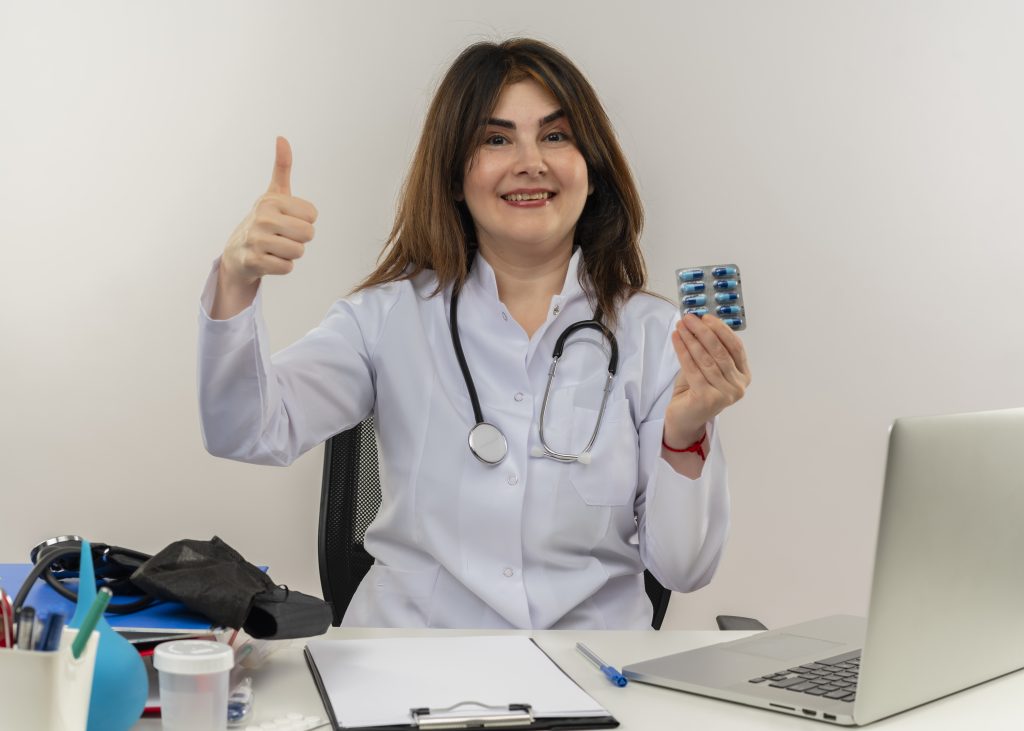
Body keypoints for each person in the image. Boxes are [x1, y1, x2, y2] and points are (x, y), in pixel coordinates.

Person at [198, 38, 751, 629]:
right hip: (410, 666)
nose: (530, 161)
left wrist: (685, 434)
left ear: (592, 170)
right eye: (496, 139)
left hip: (591, 674)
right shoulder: (385, 318)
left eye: (556, 136)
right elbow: (245, 430)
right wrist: (237, 278)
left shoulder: (656, 336)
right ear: (456, 177)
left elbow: (683, 570)